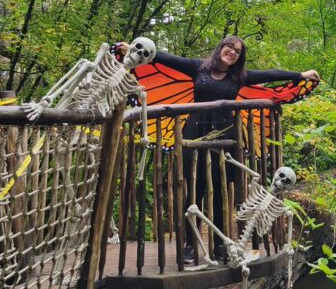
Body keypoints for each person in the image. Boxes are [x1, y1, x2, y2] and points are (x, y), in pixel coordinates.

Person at [115, 36, 319, 263]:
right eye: (229, 47)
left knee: (221, 190)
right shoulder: (197, 67)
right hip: (194, 135)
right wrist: (134, 49)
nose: (232, 52)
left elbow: (270, 74)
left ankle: (220, 245)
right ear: (220, 47)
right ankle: (190, 245)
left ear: (239, 58)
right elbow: (167, 58)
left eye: (237, 51)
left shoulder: (240, 77)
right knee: (194, 190)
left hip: (225, 137)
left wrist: (300, 75)